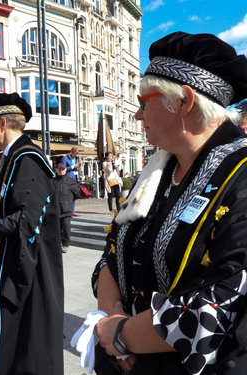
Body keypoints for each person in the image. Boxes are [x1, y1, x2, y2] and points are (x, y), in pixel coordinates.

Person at [91, 32, 247, 375]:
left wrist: (121, 333)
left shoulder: (241, 173)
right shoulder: (159, 169)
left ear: (184, 102)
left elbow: (224, 299)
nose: (137, 114)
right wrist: (109, 325)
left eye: (144, 101)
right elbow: (111, 251)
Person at [0, 93, 64, 375]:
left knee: (27, 344)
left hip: (31, 272)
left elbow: (27, 222)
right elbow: (20, 206)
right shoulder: (14, 158)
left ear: (3, 123)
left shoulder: (27, 159)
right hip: (18, 263)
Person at [54, 162, 82, 254]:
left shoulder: (71, 181)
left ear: (66, 170)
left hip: (66, 208)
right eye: (59, 169)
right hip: (56, 209)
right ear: (56, 170)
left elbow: (77, 194)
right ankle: (58, 244)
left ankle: (65, 244)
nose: (61, 171)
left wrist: (69, 201)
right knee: (57, 228)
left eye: (63, 169)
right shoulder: (53, 181)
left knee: (66, 227)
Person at [62, 147, 81, 216]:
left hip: (74, 179)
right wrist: (73, 166)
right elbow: (63, 168)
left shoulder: (74, 159)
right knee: (68, 196)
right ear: (72, 152)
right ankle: (68, 211)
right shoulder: (65, 158)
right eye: (75, 154)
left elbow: (74, 168)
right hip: (68, 179)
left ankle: (73, 211)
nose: (75, 156)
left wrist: (77, 167)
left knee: (73, 195)